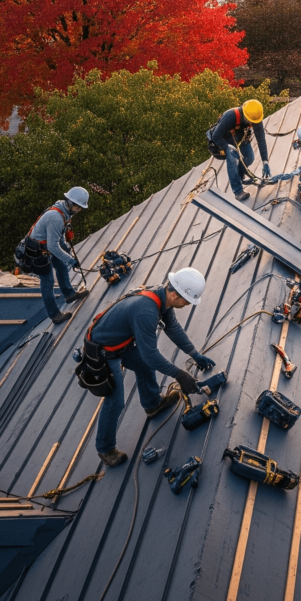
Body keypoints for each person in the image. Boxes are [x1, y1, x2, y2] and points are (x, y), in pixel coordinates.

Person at [89, 267, 216, 467]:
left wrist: (194, 354)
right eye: (187, 301)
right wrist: (180, 375)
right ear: (175, 294)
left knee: (143, 363)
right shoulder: (146, 310)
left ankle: (152, 404)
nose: (187, 305)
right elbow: (151, 354)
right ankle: (105, 449)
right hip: (103, 351)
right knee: (115, 401)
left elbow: (173, 329)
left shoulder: (162, 298)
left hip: (120, 343)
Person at [29, 186, 89, 325]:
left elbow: (58, 236)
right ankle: (54, 315)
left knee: (61, 266)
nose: (79, 210)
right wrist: (71, 260)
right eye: (78, 207)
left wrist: (66, 250)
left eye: (81, 207)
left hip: (48, 244)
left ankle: (69, 294)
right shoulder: (55, 217)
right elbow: (52, 246)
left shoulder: (65, 211)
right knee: (48, 282)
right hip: (38, 250)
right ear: (69, 202)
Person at [208, 99, 270, 202]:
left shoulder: (255, 118)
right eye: (250, 121)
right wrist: (227, 147)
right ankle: (238, 191)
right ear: (244, 115)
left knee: (249, 157)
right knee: (233, 161)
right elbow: (216, 136)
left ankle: (240, 177)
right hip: (225, 140)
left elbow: (261, 140)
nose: (252, 123)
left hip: (241, 137)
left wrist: (265, 161)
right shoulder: (230, 116)